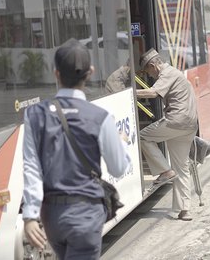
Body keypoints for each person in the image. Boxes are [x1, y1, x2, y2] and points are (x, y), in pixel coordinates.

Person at [22, 38, 131, 259]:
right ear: (90, 72)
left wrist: (30, 216)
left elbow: (32, 168)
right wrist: (121, 142)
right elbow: (119, 168)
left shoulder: (35, 114)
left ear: (56, 73)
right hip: (86, 217)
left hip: (52, 217)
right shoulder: (100, 118)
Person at [136, 48, 198, 221]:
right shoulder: (175, 73)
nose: (150, 76)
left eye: (148, 71)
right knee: (181, 167)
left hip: (176, 121)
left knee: (142, 136)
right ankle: (184, 210)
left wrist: (129, 94)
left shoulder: (167, 73)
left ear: (153, 65)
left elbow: (153, 93)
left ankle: (165, 171)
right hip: (189, 125)